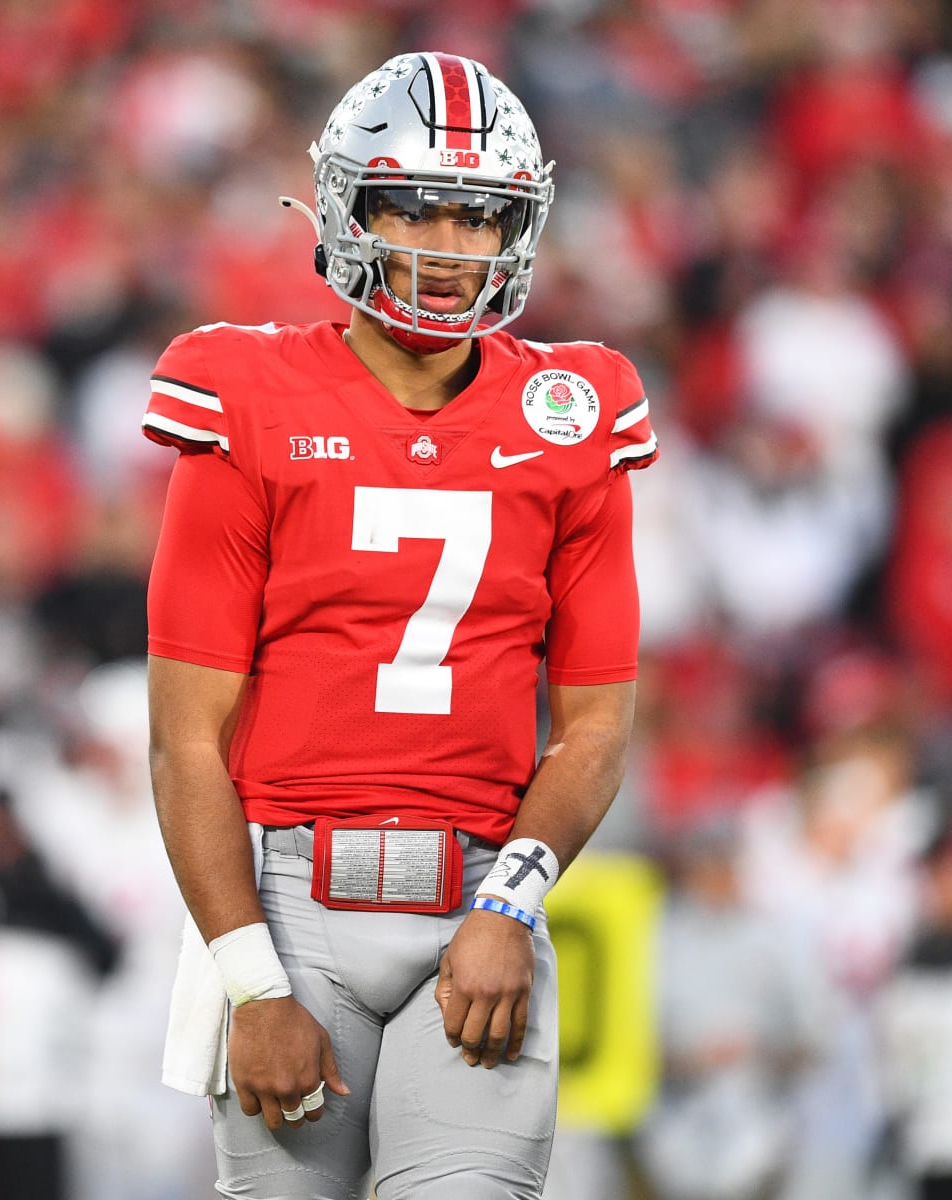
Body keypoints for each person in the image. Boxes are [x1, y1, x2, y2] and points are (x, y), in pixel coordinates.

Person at [142, 53, 657, 1197]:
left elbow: (595, 724)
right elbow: (184, 739)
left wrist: (510, 902)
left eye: (480, 218)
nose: (447, 246)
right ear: (345, 208)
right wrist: (251, 982)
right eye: (414, 207)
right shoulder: (244, 393)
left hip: (479, 893)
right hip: (288, 905)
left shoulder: (571, 411)